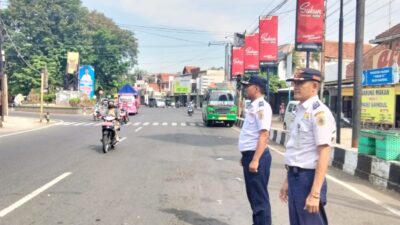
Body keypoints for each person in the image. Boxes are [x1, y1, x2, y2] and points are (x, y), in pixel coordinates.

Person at [279, 68, 336, 225]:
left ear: (315, 86)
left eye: (301, 83)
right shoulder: (300, 110)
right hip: (295, 177)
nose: (296, 86)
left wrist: (315, 193)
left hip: (308, 179)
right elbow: (298, 150)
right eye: (294, 83)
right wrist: (287, 181)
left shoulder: (319, 113)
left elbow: (324, 151)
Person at [238, 75, 273, 225]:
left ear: (257, 88)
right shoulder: (254, 106)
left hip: (257, 157)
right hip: (251, 155)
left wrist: (255, 159)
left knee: (259, 199)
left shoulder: (261, 107)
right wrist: (246, 155)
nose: (246, 89)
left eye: (249, 86)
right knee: (254, 198)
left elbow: (264, 134)